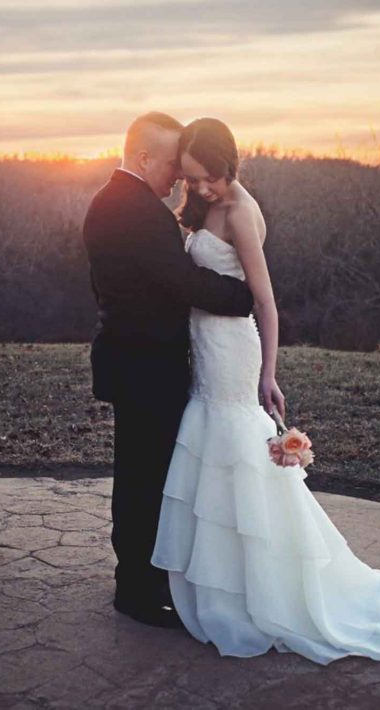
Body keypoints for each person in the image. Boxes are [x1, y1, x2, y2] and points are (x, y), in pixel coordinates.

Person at [150, 117, 380, 667]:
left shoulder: (242, 211)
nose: (199, 189)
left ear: (230, 164)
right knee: (212, 464)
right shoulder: (204, 205)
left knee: (240, 461)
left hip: (234, 357)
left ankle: (266, 591)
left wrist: (269, 374)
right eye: (192, 179)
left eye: (208, 179)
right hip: (204, 351)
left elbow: (265, 303)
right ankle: (222, 585)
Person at [82, 112, 255, 628]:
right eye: (172, 167)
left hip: (134, 359)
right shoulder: (136, 210)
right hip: (145, 366)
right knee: (143, 479)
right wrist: (242, 296)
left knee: (141, 474)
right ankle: (136, 589)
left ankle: (143, 578)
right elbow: (183, 282)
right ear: (142, 158)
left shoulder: (110, 202)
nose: (179, 178)